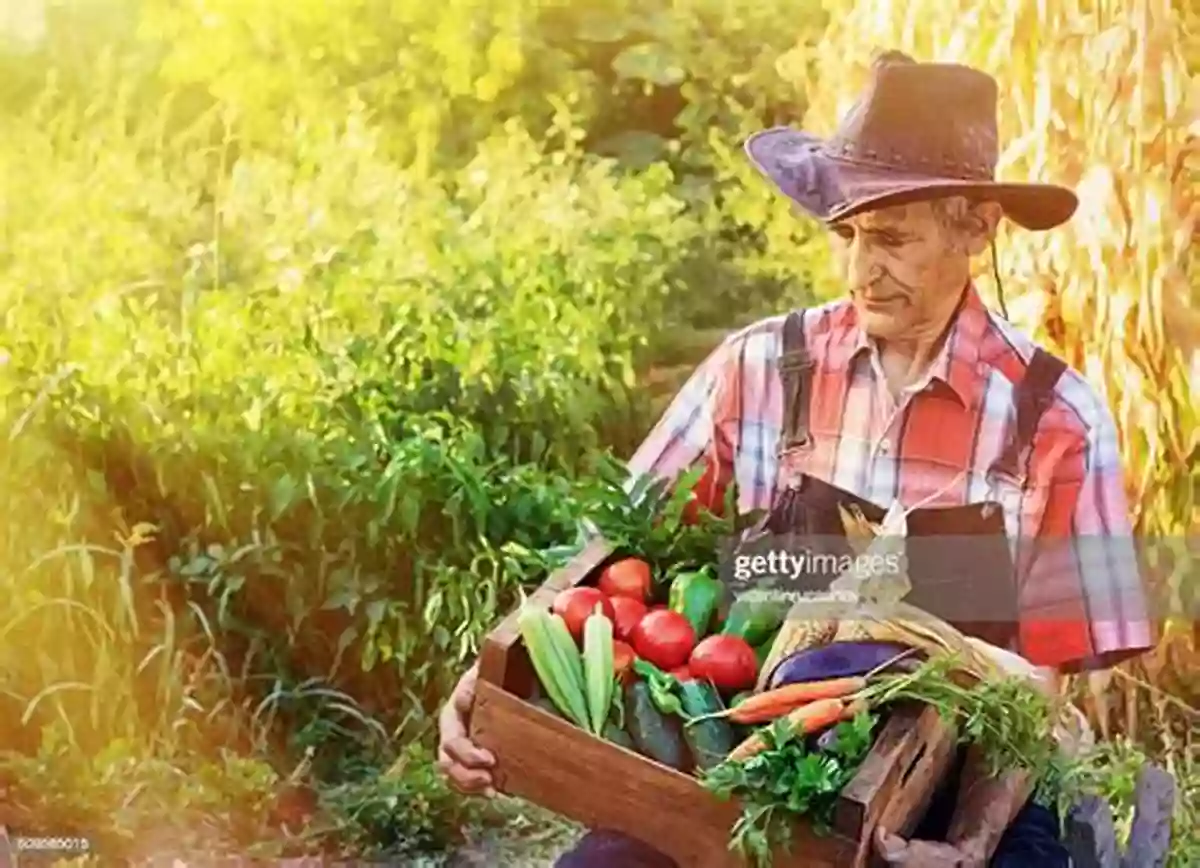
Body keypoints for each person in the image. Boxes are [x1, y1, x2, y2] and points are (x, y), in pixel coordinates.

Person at [436, 51, 1155, 867]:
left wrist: (969, 840)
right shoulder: (759, 369)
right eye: (846, 234)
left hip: (971, 776)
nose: (859, 272)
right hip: (763, 752)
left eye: (889, 239)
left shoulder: (1055, 419)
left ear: (976, 227)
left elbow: (1042, 686)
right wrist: (485, 681)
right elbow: (606, 560)